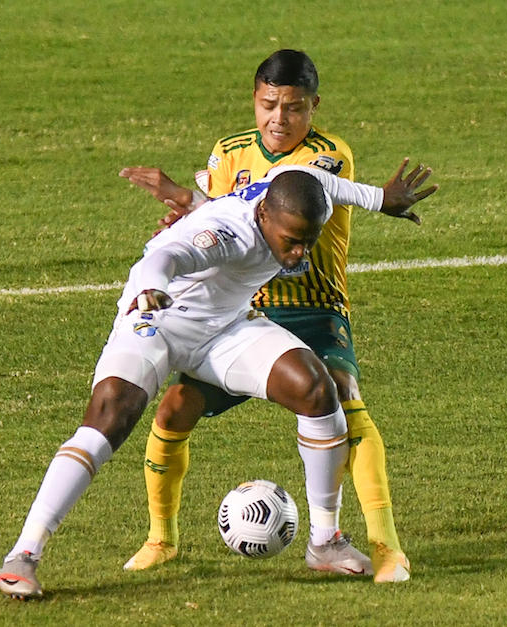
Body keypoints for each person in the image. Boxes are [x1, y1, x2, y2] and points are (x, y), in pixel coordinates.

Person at [0, 165, 431, 599]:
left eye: (308, 242)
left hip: (223, 328)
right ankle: (24, 556)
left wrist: (380, 199)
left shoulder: (296, 187)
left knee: (316, 390)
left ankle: (325, 541)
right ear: (264, 215)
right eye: (291, 241)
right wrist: (149, 291)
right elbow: (164, 258)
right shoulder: (228, 234)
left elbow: (329, 185)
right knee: (110, 418)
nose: (299, 253)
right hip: (156, 316)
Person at [119, 49, 437, 583]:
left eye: (293, 109)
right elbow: (229, 219)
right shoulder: (229, 151)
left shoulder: (328, 156)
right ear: (255, 99)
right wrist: (185, 215)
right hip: (241, 314)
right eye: (269, 106)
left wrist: (379, 199)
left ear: (313, 107)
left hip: (312, 306)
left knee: (343, 397)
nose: (278, 120)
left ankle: (387, 549)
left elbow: (285, 192)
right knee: (172, 410)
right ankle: (160, 540)